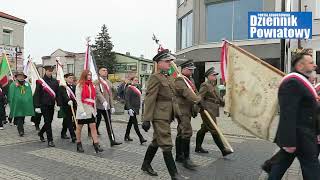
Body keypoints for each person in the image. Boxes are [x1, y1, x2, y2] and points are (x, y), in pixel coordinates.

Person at [265, 52, 320, 180]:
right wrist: (289, 141)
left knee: (282, 163)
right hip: (300, 136)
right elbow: (287, 113)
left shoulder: (301, 82)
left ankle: (270, 168)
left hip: (303, 135)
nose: (315, 65)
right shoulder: (293, 82)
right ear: (300, 66)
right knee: (312, 168)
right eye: (311, 62)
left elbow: (309, 109)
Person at [141, 49, 184, 180]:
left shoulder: (168, 77)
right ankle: (174, 175)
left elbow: (172, 97)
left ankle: (145, 164)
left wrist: (178, 115)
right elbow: (150, 98)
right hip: (159, 116)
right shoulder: (155, 77)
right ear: (159, 63)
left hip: (167, 114)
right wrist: (146, 119)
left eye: (170, 61)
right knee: (166, 143)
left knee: (156, 141)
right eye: (167, 61)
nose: (170, 63)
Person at [195, 67, 233, 156]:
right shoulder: (205, 85)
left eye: (216, 75)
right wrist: (199, 106)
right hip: (207, 110)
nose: (215, 76)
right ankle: (223, 150)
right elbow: (200, 96)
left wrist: (225, 104)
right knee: (214, 129)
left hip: (213, 109)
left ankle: (198, 147)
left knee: (204, 129)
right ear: (208, 76)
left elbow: (218, 98)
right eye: (213, 75)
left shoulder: (214, 85)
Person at [174, 60, 202, 170]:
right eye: (190, 70)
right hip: (181, 110)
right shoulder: (179, 80)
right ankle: (186, 159)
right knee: (187, 131)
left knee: (181, 132)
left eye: (192, 70)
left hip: (188, 110)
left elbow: (195, 92)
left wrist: (198, 103)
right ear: (184, 69)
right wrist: (198, 100)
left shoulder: (190, 80)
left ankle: (179, 156)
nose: (191, 72)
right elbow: (187, 93)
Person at [75, 70, 103, 153]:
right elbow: (78, 99)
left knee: (93, 127)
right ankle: (78, 143)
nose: (90, 76)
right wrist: (81, 110)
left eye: (90, 75)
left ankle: (96, 144)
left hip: (90, 110)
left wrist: (95, 109)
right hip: (83, 110)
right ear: (84, 75)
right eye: (88, 75)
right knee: (79, 128)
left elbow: (93, 98)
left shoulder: (92, 85)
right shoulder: (79, 85)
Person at [94, 67, 122, 146]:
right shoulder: (96, 82)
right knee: (97, 123)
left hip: (107, 107)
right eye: (103, 70)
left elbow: (111, 94)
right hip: (99, 106)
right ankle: (95, 141)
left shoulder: (108, 82)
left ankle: (112, 140)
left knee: (109, 123)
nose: (105, 71)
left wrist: (112, 106)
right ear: (99, 72)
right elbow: (97, 93)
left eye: (106, 70)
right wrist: (103, 101)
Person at [34, 65, 59, 147]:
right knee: (48, 122)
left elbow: (57, 94)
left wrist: (58, 104)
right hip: (43, 104)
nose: (50, 72)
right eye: (49, 71)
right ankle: (50, 140)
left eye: (51, 71)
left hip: (51, 104)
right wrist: (37, 106)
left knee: (49, 121)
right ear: (45, 71)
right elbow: (37, 94)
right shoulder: (40, 81)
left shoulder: (55, 81)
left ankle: (41, 133)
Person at [8, 72, 34, 136]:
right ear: (17, 77)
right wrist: (13, 102)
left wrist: (28, 100)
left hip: (24, 104)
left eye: (22, 76)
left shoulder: (27, 84)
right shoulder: (13, 85)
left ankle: (19, 126)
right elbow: (11, 95)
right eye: (19, 76)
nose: (20, 77)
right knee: (19, 116)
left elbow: (29, 94)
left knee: (22, 117)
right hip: (17, 104)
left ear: (24, 77)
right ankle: (21, 130)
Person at [124, 76, 147, 144]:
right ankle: (141, 138)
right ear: (131, 81)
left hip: (136, 108)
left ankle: (126, 135)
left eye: (137, 80)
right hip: (132, 108)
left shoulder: (138, 87)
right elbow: (127, 99)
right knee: (135, 123)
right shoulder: (129, 88)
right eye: (135, 80)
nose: (136, 81)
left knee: (130, 123)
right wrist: (129, 109)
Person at [58, 73, 77, 143]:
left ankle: (63, 133)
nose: (71, 79)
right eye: (70, 78)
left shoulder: (74, 86)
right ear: (65, 78)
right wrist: (68, 100)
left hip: (73, 106)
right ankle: (73, 136)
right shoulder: (62, 87)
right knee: (69, 121)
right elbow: (64, 94)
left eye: (72, 78)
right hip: (65, 106)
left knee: (66, 120)